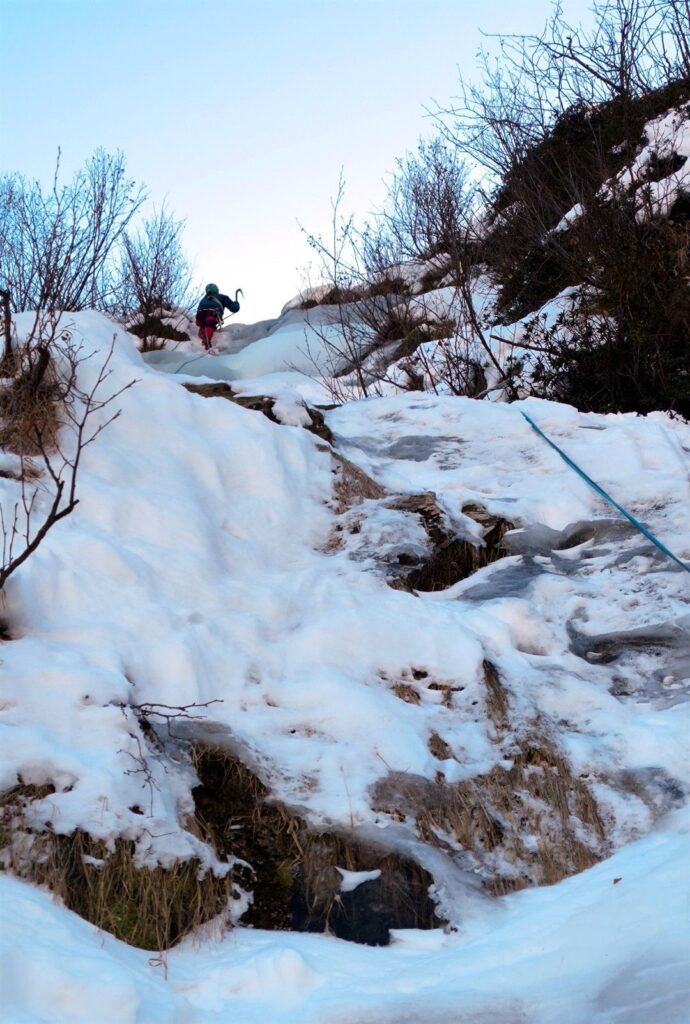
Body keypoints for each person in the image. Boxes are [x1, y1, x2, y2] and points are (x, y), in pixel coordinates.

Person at [195, 283, 240, 351]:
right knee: (210, 322)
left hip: (199, 316)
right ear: (216, 290)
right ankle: (207, 342)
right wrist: (236, 304)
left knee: (205, 322)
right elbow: (234, 308)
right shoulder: (222, 297)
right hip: (212, 314)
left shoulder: (203, 299)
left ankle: (203, 332)